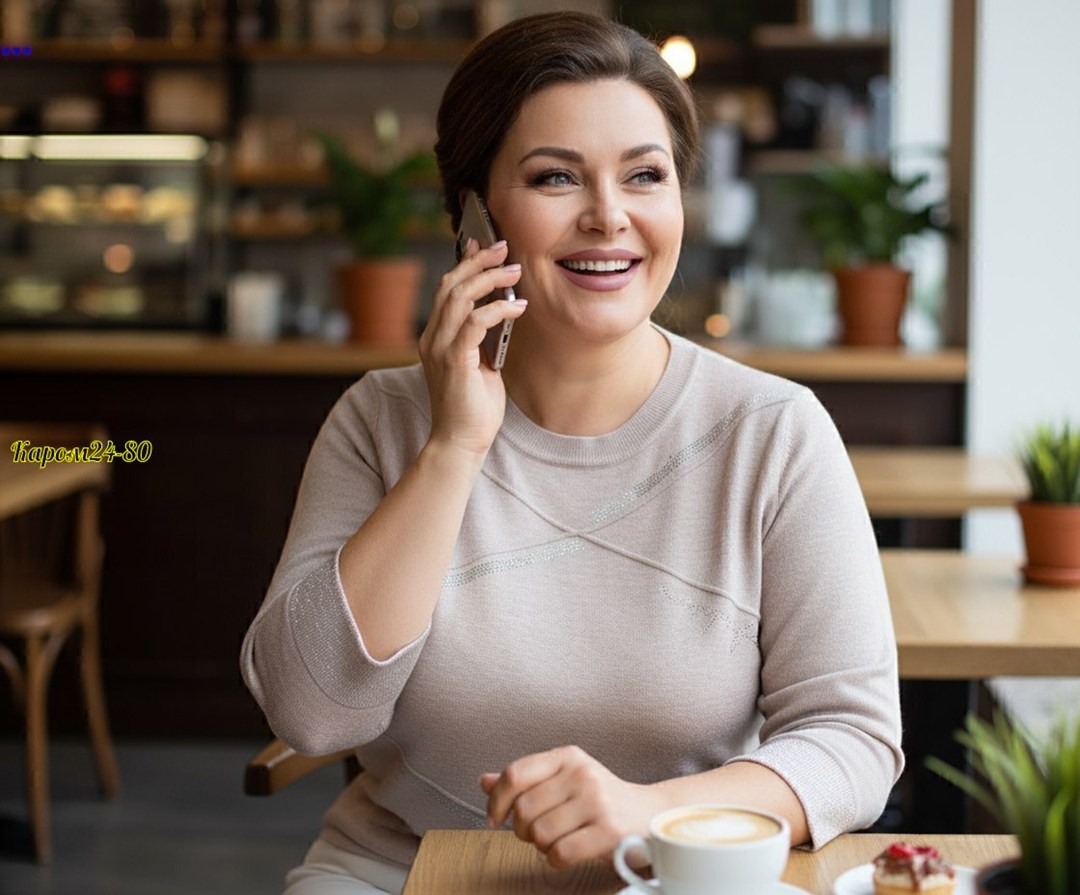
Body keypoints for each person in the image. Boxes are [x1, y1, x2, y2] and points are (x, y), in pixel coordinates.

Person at [240, 11, 904, 894]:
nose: (609, 217)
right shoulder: (379, 421)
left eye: (645, 176)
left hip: (679, 875)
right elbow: (313, 712)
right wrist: (454, 445)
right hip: (401, 872)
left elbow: (853, 740)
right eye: (556, 177)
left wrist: (650, 811)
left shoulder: (774, 431)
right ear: (471, 213)